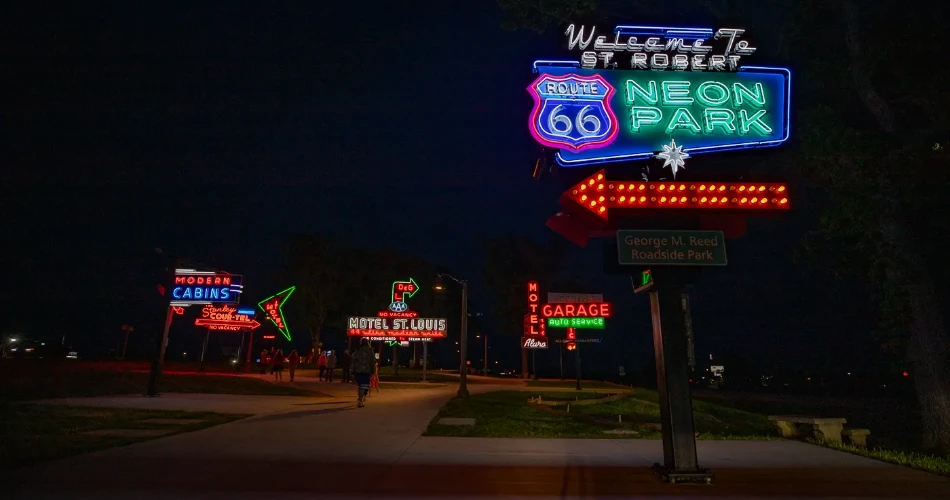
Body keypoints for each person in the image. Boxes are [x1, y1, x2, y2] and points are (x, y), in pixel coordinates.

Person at [351, 338, 376, 407]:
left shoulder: (357, 350)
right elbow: (373, 361)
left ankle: (360, 398)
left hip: (358, 371)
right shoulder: (370, 350)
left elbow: (354, 360)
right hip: (366, 371)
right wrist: (373, 370)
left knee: (360, 386)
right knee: (363, 386)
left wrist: (352, 370)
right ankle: (360, 401)